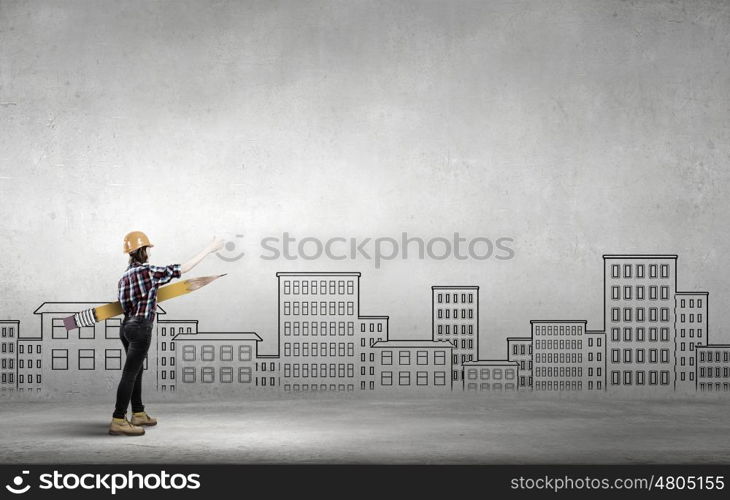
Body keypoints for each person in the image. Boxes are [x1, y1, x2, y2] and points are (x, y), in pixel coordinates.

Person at [108, 231, 224, 436]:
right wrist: (209, 248)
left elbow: (126, 305)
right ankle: (118, 419)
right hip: (141, 327)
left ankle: (138, 413)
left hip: (126, 327)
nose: (150, 253)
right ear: (143, 250)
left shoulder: (123, 277)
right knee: (130, 374)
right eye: (148, 249)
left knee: (136, 371)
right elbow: (183, 268)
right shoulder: (149, 272)